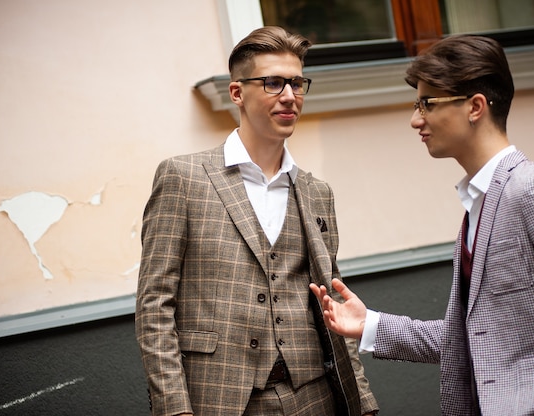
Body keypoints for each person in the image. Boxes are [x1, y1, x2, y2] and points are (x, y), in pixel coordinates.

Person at [311, 35, 534, 416]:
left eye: (427, 103)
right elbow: (477, 338)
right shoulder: (478, 204)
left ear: (475, 107)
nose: (415, 119)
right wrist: (370, 324)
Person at [135, 26, 379, 416]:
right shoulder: (184, 177)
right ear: (237, 93)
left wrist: (362, 400)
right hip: (220, 399)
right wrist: (174, 408)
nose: (289, 96)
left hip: (314, 397)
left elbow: (332, 301)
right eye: (273, 83)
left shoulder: (318, 193)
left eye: (297, 84)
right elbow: (154, 304)